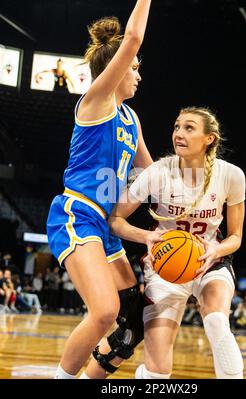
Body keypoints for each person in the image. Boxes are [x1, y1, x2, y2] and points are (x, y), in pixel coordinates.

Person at [46, 0, 153, 379]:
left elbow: (150, 175)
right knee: (105, 310)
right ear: (116, 69)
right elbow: (135, 36)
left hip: (105, 226)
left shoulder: (131, 117)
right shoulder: (96, 102)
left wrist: (184, 211)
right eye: (134, 68)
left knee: (132, 324)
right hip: (77, 215)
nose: (139, 75)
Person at [105, 106, 246, 379]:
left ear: (210, 139)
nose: (178, 133)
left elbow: (235, 237)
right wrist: (146, 236)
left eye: (189, 128)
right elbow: (115, 220)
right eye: (176, 127)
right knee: (158, 370)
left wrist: (216, 248)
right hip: (165, 266)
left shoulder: (231, 175)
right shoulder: (157, 172)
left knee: (217, 320)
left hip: (211, 261)